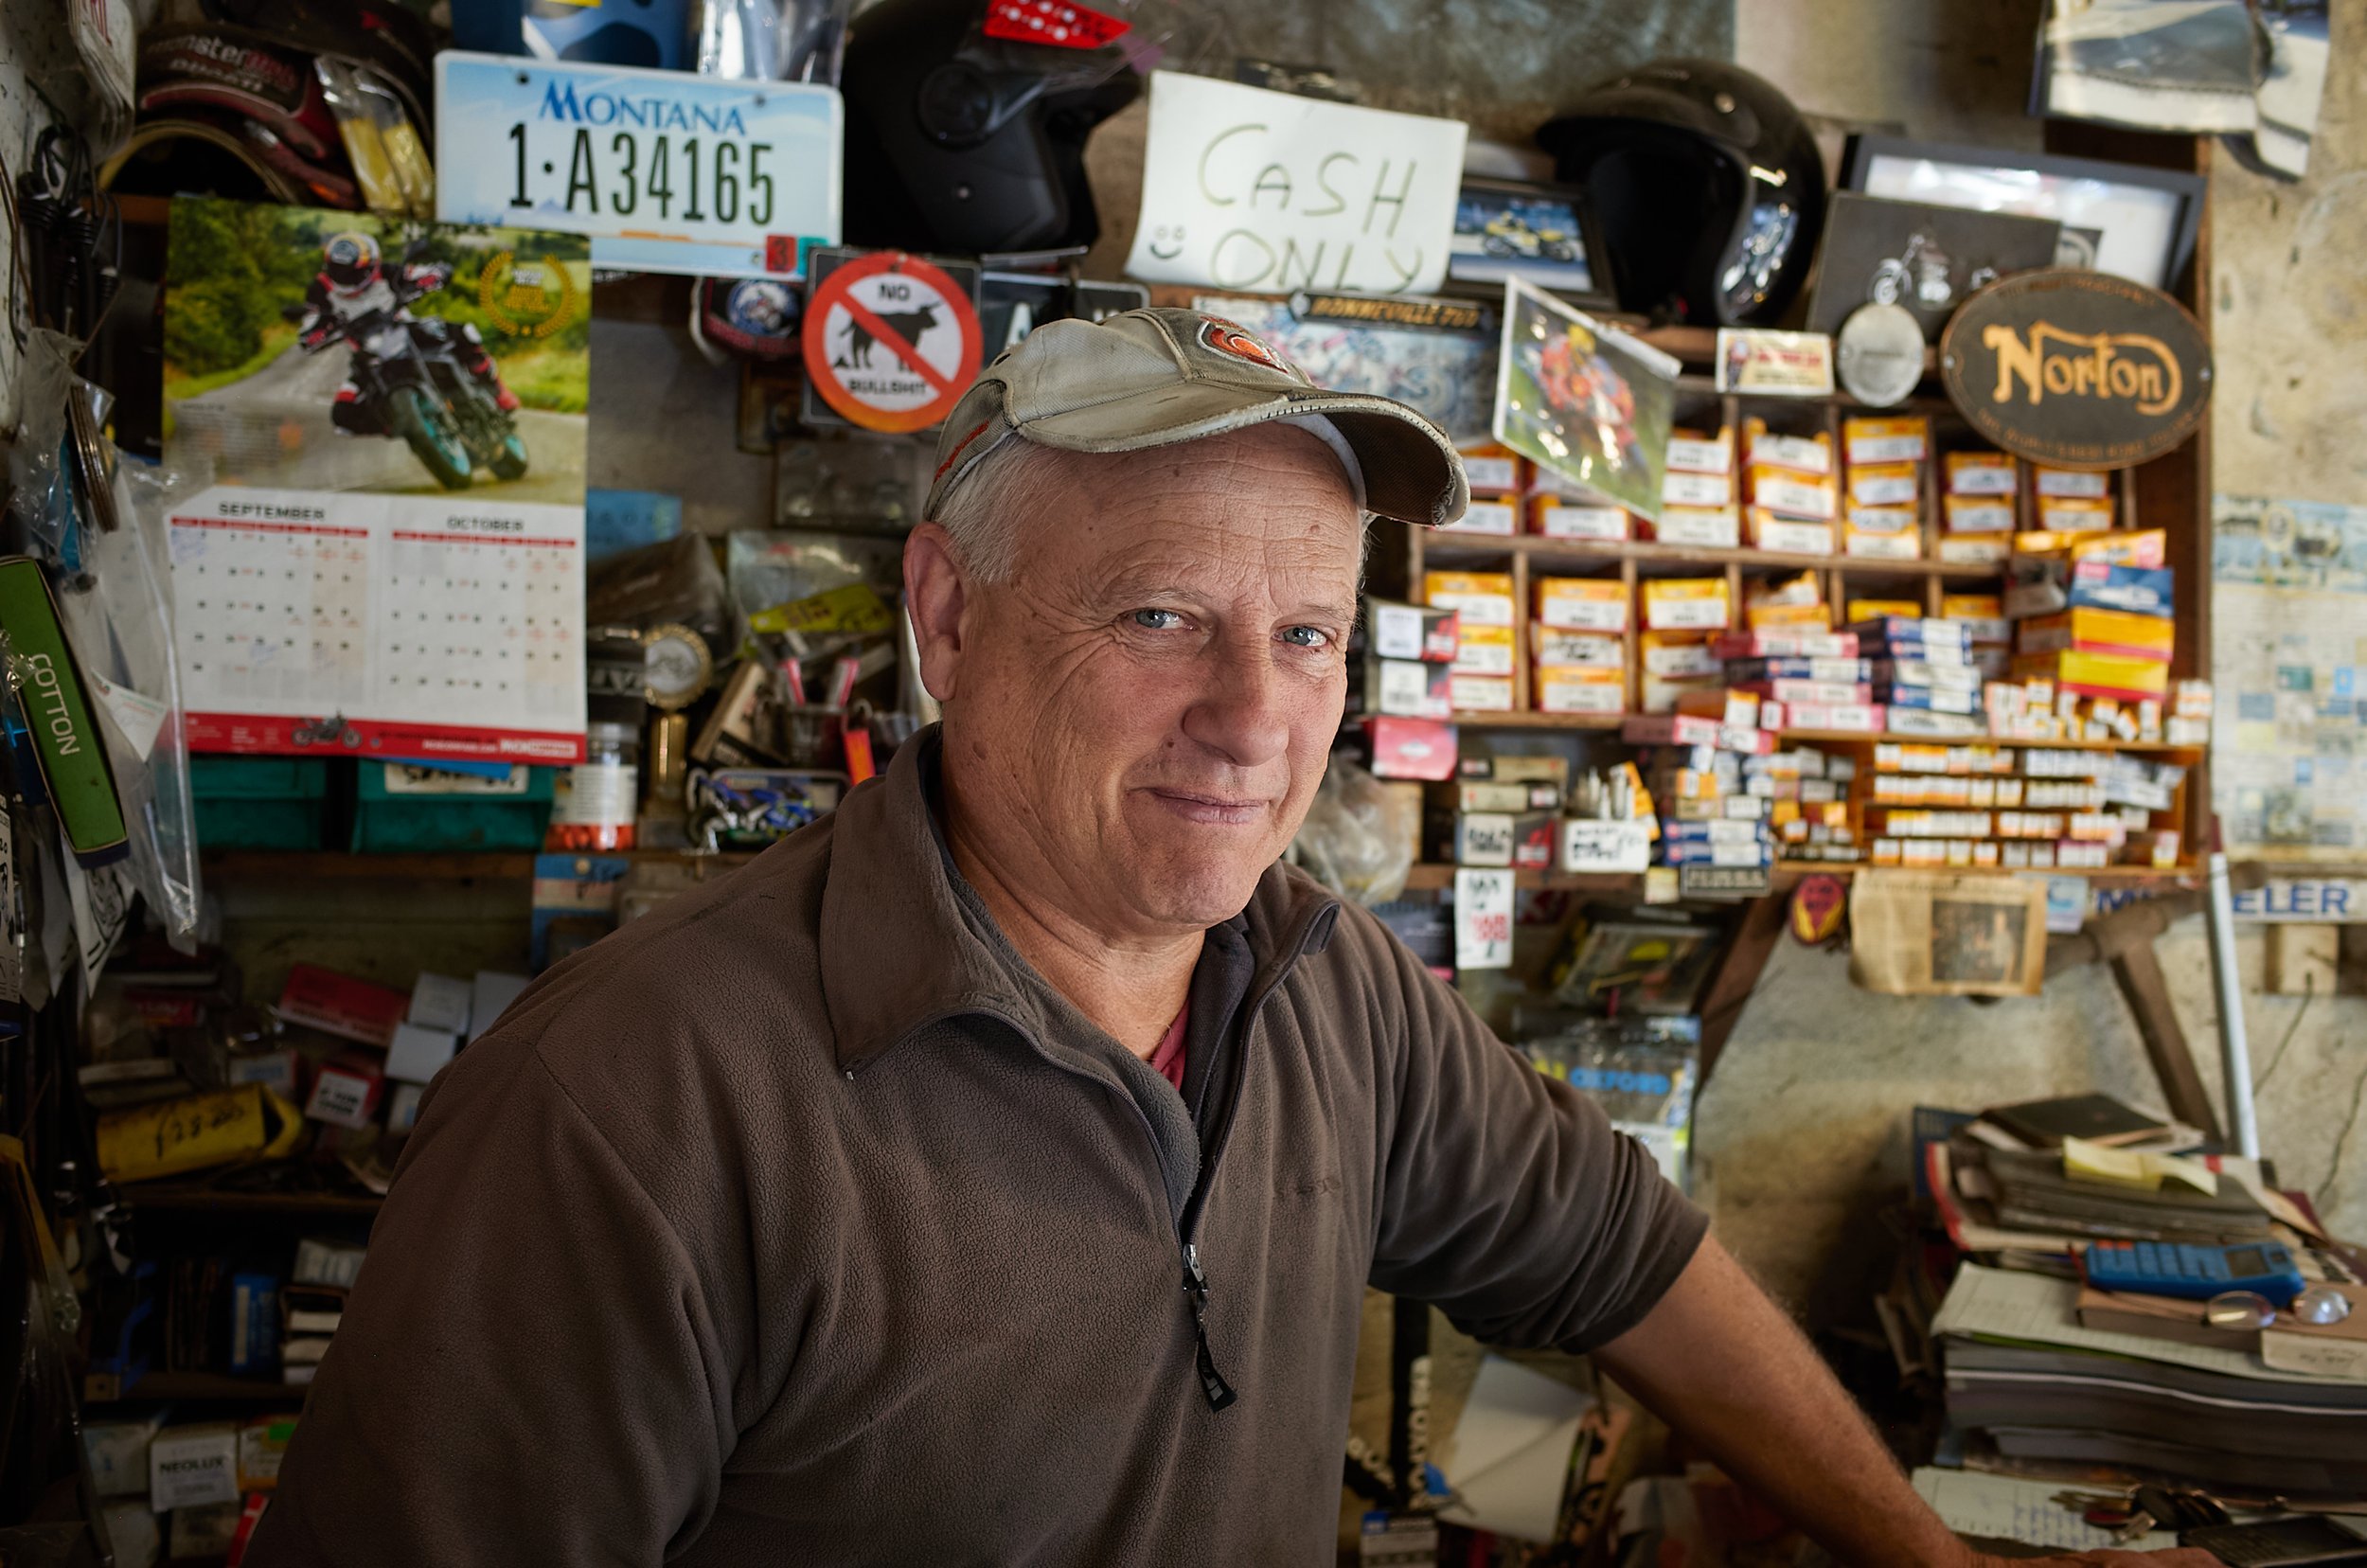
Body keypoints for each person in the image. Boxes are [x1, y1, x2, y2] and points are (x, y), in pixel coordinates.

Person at [247, 310, 2213, 1568]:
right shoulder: (632, 1107)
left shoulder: (1326, 983)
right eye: (1160, 619)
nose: (1259, 724)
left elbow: (1624, 1258)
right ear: (944, 622)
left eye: (1305, 639)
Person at [300, 230, 517, 436]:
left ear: (370, 265)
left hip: (405, 328)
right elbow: (310, 323)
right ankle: (401, 426)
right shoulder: (319, 289)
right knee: (342, 413)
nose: (347, 277)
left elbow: (423, 272)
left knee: (463, 333)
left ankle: (496, 387)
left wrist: (433, 276)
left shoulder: (387, 272)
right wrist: (315, 334)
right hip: (368, 353)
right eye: (340, 271)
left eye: (353, 271)